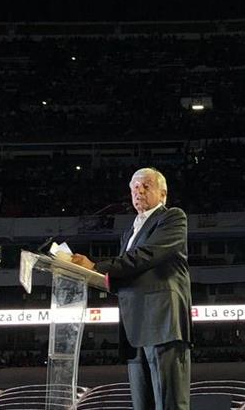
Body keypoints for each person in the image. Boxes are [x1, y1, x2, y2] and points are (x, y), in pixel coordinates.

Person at [71, 167, 192, 410]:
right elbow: (124, 276)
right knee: (142, 404)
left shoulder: (172, 218)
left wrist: (96, 265)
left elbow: (146, 256)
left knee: (169, 403)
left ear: (163, 193)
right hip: (135, 325)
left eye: (146, 185)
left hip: (162, 322)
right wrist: (87, 274)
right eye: (134, 187)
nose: (139, 191)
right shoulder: (128, 232)